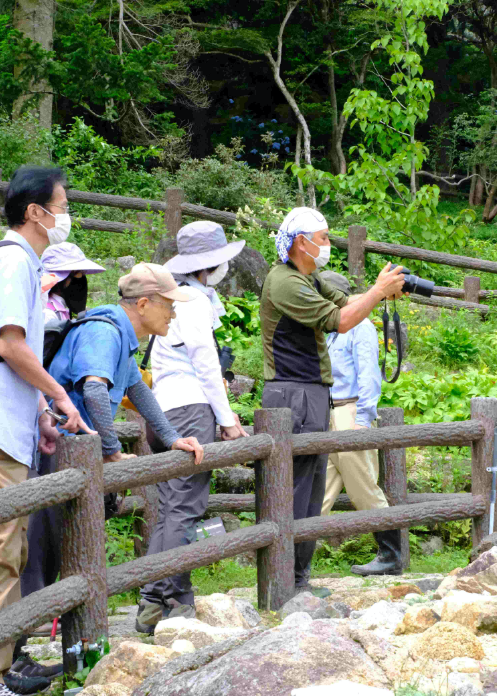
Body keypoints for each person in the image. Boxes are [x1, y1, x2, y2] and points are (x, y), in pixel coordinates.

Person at [0, 165, 94, 696]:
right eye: (62, 206)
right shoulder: (16, 260)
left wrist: (39, 407)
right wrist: (60, 395)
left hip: (5, 422)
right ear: (36, 212)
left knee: (8, 549)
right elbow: (12, 346)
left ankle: (2, 659)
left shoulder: (15, 259)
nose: (66, 216)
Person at [260, 207, 405, 596]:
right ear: (300, 242)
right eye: (323, 238)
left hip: (313, 395)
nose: (328, 245)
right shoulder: (286, 282)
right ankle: (286, 580)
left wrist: (383, 291)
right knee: (298, 493)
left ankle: (298, 580)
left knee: (311, 495)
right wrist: (377, 292)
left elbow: (344, 302)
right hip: (294, 392)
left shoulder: (308, 278)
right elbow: (340, 319)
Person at [135, 221, 249, 633]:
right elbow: (206, 364)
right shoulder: (195, 302)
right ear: (211, 266)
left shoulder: (174, 298)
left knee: (170, 508)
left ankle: (164, 596)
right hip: (189, 409)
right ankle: (164, 597)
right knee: (185, 507)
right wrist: (226, 419)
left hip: (162, 410)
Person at [317, 271, 401, 576]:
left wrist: (364, 419)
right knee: (319, 493)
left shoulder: (360, 327)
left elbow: (369, 375)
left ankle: (391, 555)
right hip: (327, 413)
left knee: (363, 487)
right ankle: (293, 560)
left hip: (350, 412)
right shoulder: (327, 329)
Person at [40, 242, 105, 323]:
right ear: (61, 278)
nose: (81, 280)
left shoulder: (60, 309)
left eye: (82, 273)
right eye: (77, 274)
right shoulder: (48, 315)